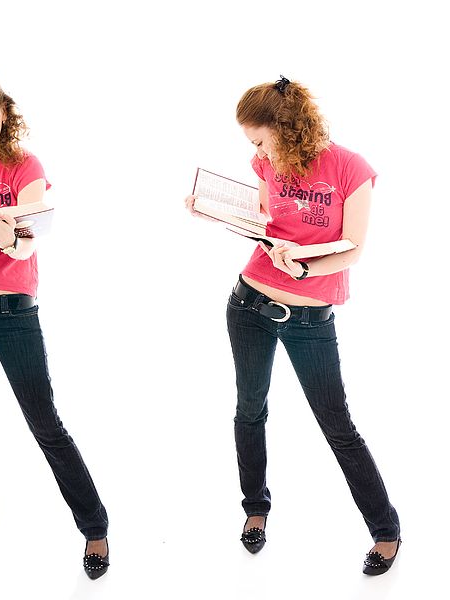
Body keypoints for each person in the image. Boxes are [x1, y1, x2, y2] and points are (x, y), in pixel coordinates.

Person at [185, 76, 401, 575]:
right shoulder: (266, 162)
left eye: (260, 139)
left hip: (309, 316)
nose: (257, 151)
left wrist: (303, 268)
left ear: (287, 125)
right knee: (249, 410)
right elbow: (264, 221)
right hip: (249, 305)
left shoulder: (351, 168)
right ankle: (255, 509)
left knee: (337, 425)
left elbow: (353, 247)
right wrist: (215, 212)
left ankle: (385, 528)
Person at [0, 67, 110, 579]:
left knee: (44, 421)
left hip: (13, 311)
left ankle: (94, 527)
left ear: (4, 113)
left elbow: (30, 239)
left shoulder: (25, 164)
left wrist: (6, 240)